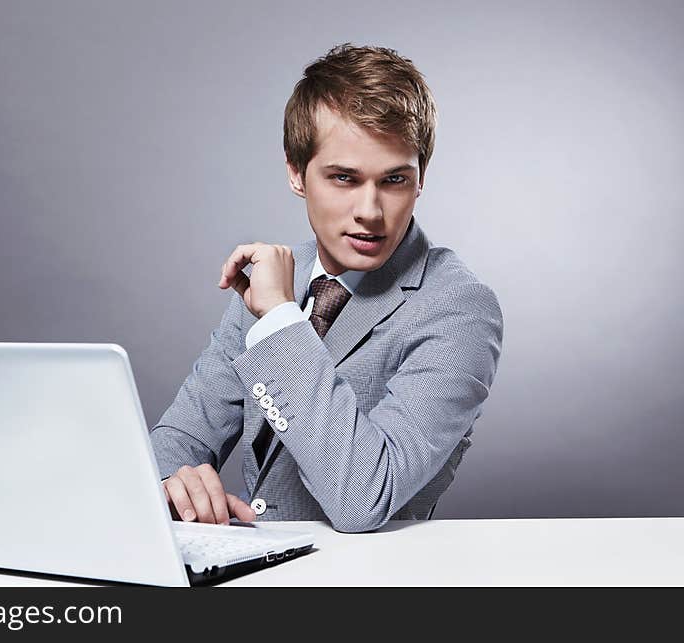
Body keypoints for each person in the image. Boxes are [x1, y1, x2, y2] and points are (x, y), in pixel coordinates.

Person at [149, 43, 503, 533]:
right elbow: (175, 443)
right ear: (297, 173)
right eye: (344, 178)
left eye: (395, 180)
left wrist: (277, 318)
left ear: (421, 178)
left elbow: (363, 499)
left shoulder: (458, 307)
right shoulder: (279, 281)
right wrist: (175, 484)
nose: (371, 211)